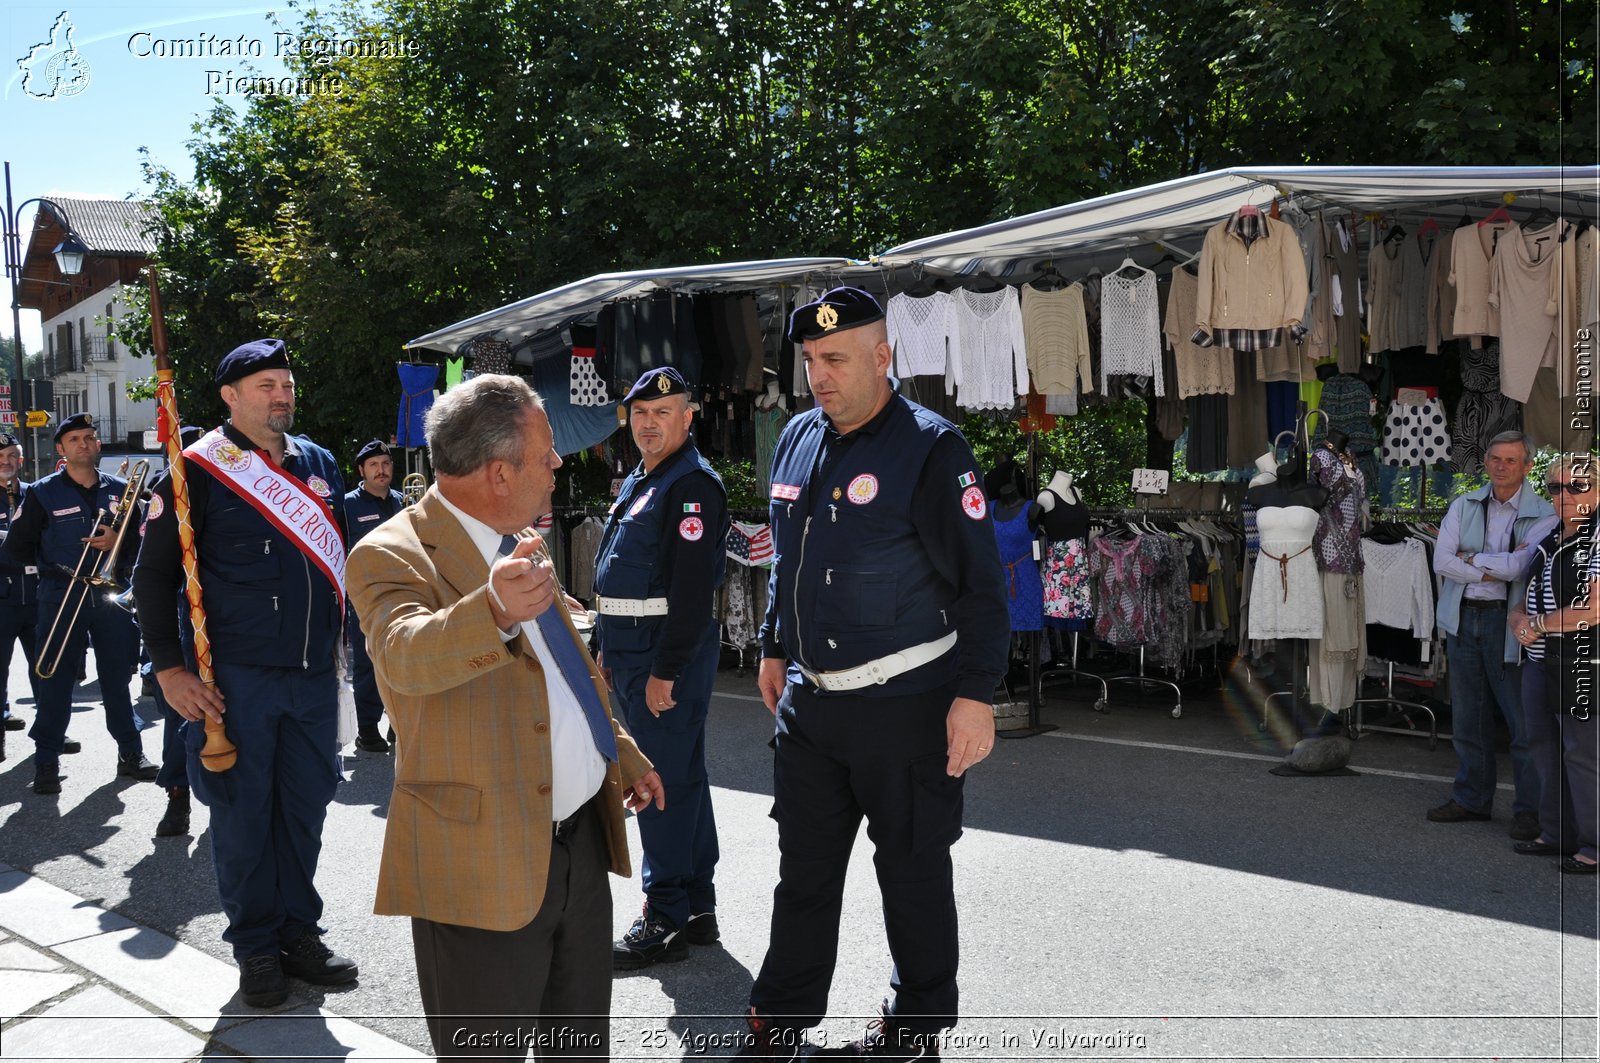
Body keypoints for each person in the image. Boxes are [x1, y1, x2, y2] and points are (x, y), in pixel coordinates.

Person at [345, 373, 661, 1061]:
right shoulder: (388, 553)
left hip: (576, 848)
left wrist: (620, 746)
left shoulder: (518, 537)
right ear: (497, 473)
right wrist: (489, 610)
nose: (557, 467)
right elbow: (404, 655)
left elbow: (566, 663)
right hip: (479, 866)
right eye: (546, 454)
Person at [741, 287, 1009, 1062]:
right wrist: (771, 644)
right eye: (810, 361)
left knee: (914, 873)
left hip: (910, 707)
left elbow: (981, 586)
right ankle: (779, 1021)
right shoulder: (796, 437)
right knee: (805, 875)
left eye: (836, 359)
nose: (819, 376)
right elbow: (788, 559)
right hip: (812, 709)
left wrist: (975, 694)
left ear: (883, 356)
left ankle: (913, 1032)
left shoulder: (932, 448)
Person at [132, 338, 356, 1008]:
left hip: (316, 674)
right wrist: (168, 669)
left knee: (305, 811)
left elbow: (337, 566)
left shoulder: (318, 462)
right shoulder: (195, 468)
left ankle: (297, 932)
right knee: (241, 818)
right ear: (230, 396)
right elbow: (152, 578)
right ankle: (256, 946)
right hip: (237, 679)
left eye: (287, 383)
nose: (282, 394)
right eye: (266, 385)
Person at [593, 366, 729, 969]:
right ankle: (697, 904)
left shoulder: (691, 485)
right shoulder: (646, 478)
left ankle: (666, 911)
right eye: (640, 414)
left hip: (660, 657)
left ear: (688, 416)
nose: (649, 424)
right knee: (682, 775)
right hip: (631, 648)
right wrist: (605, 641)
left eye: (662, 412)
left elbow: (693, 593)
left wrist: (665, 671)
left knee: (657, 780)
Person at [5, 413, 150, 794]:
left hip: (111, 597)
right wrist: (54, 564)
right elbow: (16, 548)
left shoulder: (123, 490)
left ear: (98, 444)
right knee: (54, 678)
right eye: (74, 440)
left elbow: (146, 542)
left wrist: (118, 536)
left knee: (118, 678)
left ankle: (130, 753)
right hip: (61, 594)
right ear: (61, 449)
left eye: (89, 437)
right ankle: (47, 760)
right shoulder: (42, 492)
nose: (84, 444)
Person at [1429, 430, 1557, 839]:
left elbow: (1521, 569)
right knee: (1468, 719)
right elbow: (1441, 560)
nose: (1501, 467)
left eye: (1511, 461)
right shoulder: (1464, 503)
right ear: (1485, 462)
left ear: (1527, 466)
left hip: (1509, 622)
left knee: (1522, 725)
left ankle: (1530, 811)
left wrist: (1471, 560)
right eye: (1495, 459)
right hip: (1463, 618)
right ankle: (1471, 800)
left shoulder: (1544, 512)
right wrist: (1490, 566)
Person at [1509, 453, 1600, 874]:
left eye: (1576, 487)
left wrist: (1539, 625)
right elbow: (1525, 594)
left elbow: (1593, 609)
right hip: (1541, 660)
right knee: (1543, 747)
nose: (1564, 496)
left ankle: (1594, 845)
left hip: (1583, 663)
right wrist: (1518, 621)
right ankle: (1557, 832)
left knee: (1583, 756)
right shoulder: (1551, 536)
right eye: (1556, 488)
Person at [342, 438, 404, 753]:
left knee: (403, 656)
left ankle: (398, 722)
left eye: (385, 464)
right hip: (365, 596)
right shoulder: (347, 505)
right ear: (361, 471)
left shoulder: (402, 501)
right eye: (373, 465)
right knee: (369, 661)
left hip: (402, 592)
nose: (381, 470)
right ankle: (368, 729)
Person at [0, 433, 41, 755]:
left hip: (37, 594)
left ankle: (49, 732)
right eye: (1, 457)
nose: (6, 462)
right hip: (3, 595)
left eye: (12, 456)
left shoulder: (35, 495)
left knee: (44, 667)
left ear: (21, 461)